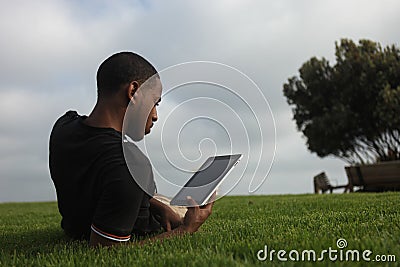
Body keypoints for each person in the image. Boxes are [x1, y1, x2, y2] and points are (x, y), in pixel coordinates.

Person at [49, 52, 214, 247]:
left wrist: (157, 206)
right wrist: (185, 230)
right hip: (130, 225)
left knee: (161, 200)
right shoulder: (130, 164)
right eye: (155, 102)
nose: (155, 116)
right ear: (133, 91)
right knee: (184, 208)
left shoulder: (64, 126)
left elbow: (98, 183)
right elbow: (105, 250)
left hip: (75, 226)